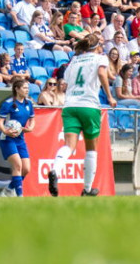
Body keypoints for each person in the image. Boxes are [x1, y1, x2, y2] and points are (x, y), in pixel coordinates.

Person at [49, 33, 117, 197]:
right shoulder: (100, 58)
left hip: (70, 105)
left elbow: (64, 80)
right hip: (89, 105)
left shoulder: (75, 60)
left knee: (69, 146)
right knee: (91, 148)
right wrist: (109, 96)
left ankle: (55, 169)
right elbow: (101, 74)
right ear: (98, 46)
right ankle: (87, 189)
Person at [0, 76, 36, 197]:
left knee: (26, 169)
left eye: (28, 88)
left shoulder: (29, 103)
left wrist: (30, 127)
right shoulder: (8, 104)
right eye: (24, 88)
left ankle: (9, 188)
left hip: (20, 139)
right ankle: (19, 196)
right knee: (17, 165)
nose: (27, 90)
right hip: (7, 138)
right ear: (17, 89)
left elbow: (32, 119)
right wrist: (6, 131)